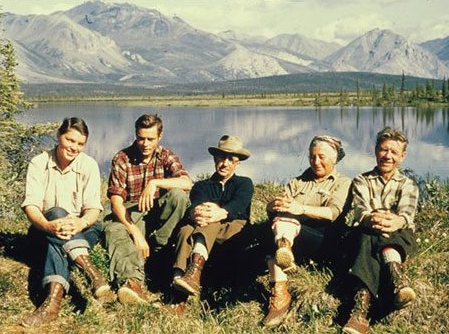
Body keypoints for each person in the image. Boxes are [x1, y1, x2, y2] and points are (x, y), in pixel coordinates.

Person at [21, 117, 109, 327]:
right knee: (56, 213)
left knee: (58, 242)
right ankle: (90, 270)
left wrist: (79, 224)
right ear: (59, 136)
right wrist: (49, 225)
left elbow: (93, 209)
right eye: (70, 140)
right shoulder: (39, 163)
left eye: (80, 144)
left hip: (83, 228)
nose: (74, 147)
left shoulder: (88, 165)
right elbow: (31, 206)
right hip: (44, 228)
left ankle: (52, 304)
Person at [263, 135, 352, 327]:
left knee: (281, 225)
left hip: (324, 239)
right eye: (312, 157)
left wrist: (301, 209)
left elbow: (332, 213)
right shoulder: (298, 181)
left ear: (335, 159)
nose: (316, 162)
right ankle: (280, 288)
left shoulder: (343, 183)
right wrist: (274, 204)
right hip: (291, 232)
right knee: (276, 223)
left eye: (322, 157)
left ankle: (280, 293)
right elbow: (277, 207)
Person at [104, 113, 192, 304]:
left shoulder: (166, 155)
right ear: (135, 135)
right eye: (141, 138)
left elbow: (187, 182)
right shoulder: (122, 158)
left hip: (160, 211)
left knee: (178, 195)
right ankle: (132, 282)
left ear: (159, 137)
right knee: (115, 230)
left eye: (150, 139)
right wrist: (136, 234)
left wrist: (155, 183)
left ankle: (161, 253)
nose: (145, 144)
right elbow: (116, 203)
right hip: (132, 210)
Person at [342, 127, 419, 334]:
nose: (388, 156)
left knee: (372, 239)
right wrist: (376, 220)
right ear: (376, 151)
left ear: (402, 156)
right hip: (368, 231)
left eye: (394, 152)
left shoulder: (408, 184)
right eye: (384, 150)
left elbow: (405, 217)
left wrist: (393, 222)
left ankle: (360, 312)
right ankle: (396, 279)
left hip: (400, 235)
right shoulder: (362, 180)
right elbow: (362, 212)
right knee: (367, 235)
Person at [168, 135, 254, 315]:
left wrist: (220, 212)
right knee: (185, 230)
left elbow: (238, 206)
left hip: (234, 228)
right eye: (221, 158)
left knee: (210, 221)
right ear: (215, 159)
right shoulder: (202, 185)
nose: (225, 163)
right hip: (204, 226)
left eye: (231, 159)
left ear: (238, 163)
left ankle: (193, 273)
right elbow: (197, 204)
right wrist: (196, 212)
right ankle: (179, 284)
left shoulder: (244, 184)